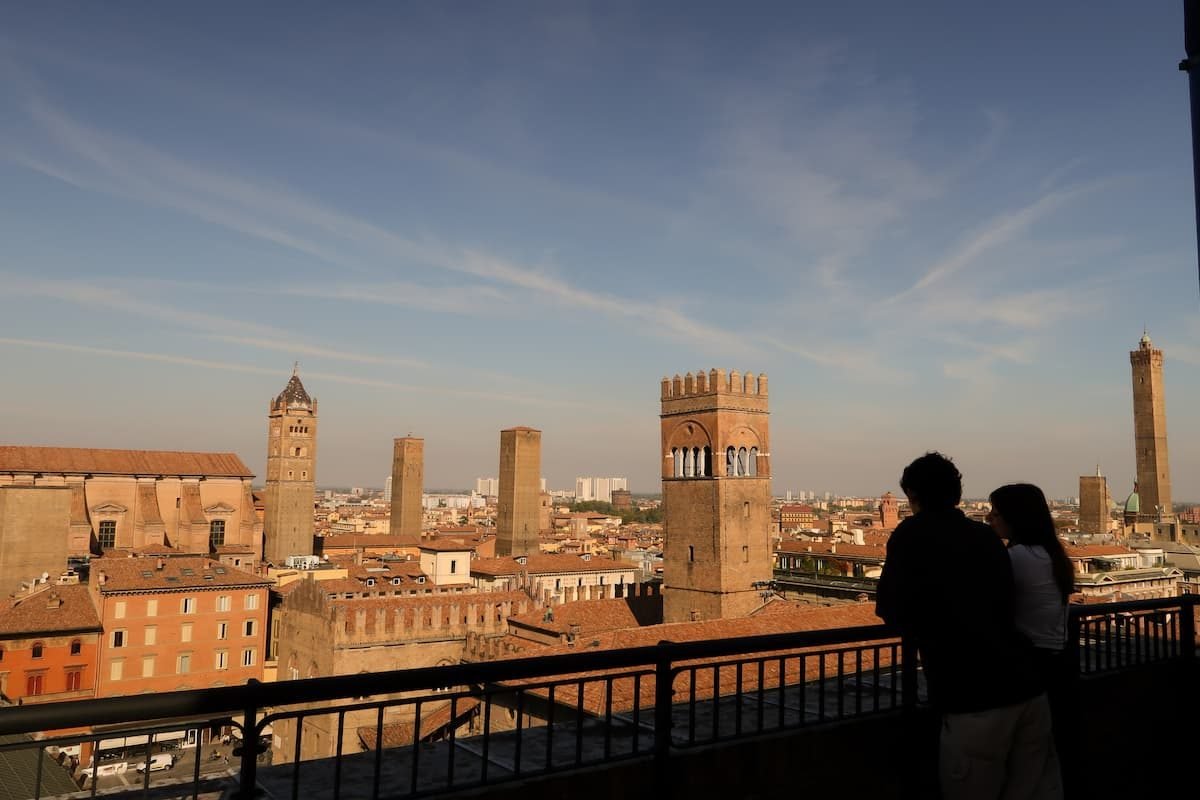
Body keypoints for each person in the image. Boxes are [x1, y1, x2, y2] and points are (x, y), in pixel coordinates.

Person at [877, 452, 1062, 800]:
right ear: (957, 494)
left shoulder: (911, 534)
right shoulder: (985, 536)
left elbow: (890, 608)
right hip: (1029, 690)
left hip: (974, 698)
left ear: (913, 496)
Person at [988, 483, 1076, 788]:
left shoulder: (1018, 558)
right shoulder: (1051, 554)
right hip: (1056, 664)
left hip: (1028, 667)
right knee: (1040, 763)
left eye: (995, 513)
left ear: (1016, 518)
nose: (989, 519)